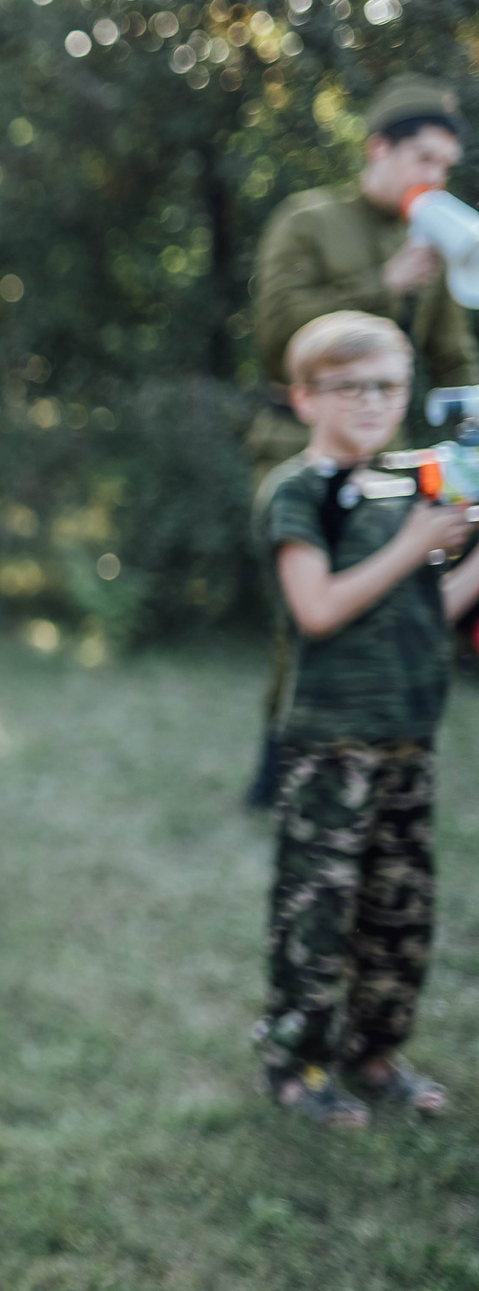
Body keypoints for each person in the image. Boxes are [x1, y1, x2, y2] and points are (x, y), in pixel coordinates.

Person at [253, 309, 479, 1128]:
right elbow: (315, 608)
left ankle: (374, 1052)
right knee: (319, 915)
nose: (374, 403)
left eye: (388, 386)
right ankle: (296, 1060)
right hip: (329, 744)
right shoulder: (300, 490)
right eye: (349, 387)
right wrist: (417, 543)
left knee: (399, 912)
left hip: (409, 736)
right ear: (306, 397)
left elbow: (436, 609)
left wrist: (464, 550)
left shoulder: (411, 490)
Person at [243, 76, 474, 806]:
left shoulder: (433, 242)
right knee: (307, 608)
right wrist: (383, 284)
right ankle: (283, 760)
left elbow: (449, 349)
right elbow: (280, 333)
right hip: (300, 438)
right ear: (381, 149)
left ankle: (379, 755)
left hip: (390, 449)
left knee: (398, 592)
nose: (436, 181)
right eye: (425, 161)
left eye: (446, 167)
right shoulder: (309, 220)